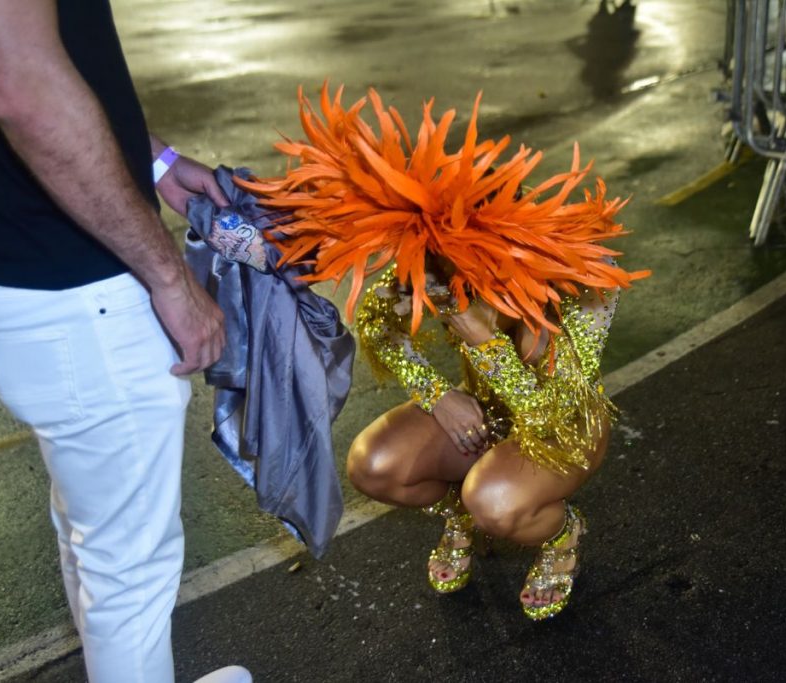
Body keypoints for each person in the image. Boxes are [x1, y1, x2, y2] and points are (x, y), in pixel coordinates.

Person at [235, 85, 650, 621]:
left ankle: (561, 533)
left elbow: (549, 410)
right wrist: (438, 396)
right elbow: (377, 323)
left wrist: (474, 330)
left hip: (563, 428)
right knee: (374, 465)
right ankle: (461, 515)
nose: (449, 272)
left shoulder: (579, 289)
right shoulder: (438, 264)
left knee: (496, 501)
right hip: (484, 417)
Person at [0, 1, 249, 681]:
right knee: (129, 570)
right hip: (80, 283)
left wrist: (152, 160)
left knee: (97, 537)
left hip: (23, 272)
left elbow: (44, 63)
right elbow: (21, 87)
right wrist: (168, 276)